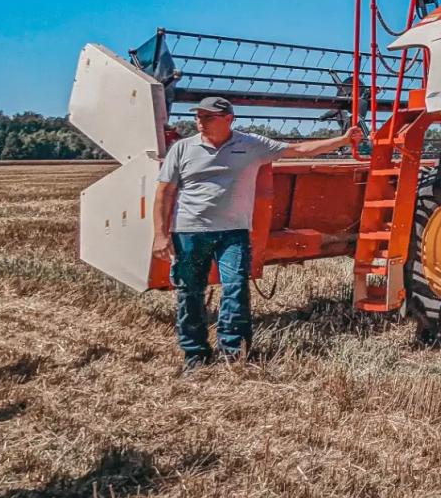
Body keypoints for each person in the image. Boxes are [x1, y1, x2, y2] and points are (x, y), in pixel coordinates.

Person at [151, 97, 360, 370]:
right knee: (190, 293)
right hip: (190, 232)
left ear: (228, 119)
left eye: (207, 117)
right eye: (198, 116)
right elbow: (164, 193)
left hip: (234, 233)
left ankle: (232, 352)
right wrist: (160, 234)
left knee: (235, 289)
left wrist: (342, 140)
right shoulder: (182, 149)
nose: (199, 122)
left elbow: (298, 149)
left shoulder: (250, 145)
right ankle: (195, 356)